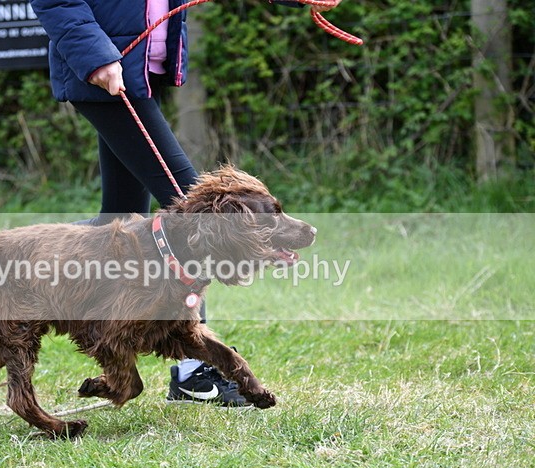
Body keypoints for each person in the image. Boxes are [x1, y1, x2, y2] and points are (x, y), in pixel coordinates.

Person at [30, 0, 341, 407]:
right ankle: (196, 372)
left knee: (120, 219)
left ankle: (2, 268)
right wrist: (95, 55)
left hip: (139, 67)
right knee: (199, 212)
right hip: (106, 64)